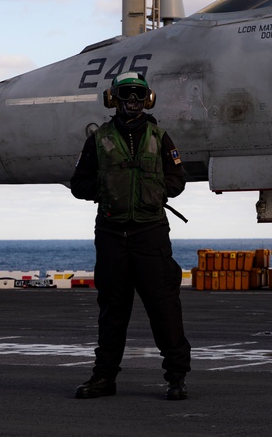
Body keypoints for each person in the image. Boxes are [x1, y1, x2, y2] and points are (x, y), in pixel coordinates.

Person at [70, 71, 191, 401]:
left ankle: (177, 377)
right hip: (111, 234)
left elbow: (178, 179)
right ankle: (104, 378)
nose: (133, 101)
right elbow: (78, 184)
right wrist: (107, 190)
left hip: (150, 234)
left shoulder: (160, 137)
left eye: (139, 95)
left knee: (164, 307)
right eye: (126, 96)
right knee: (112, 310)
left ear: (148, 98)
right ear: (114, 100)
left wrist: (153, 193)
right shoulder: (98, 139)